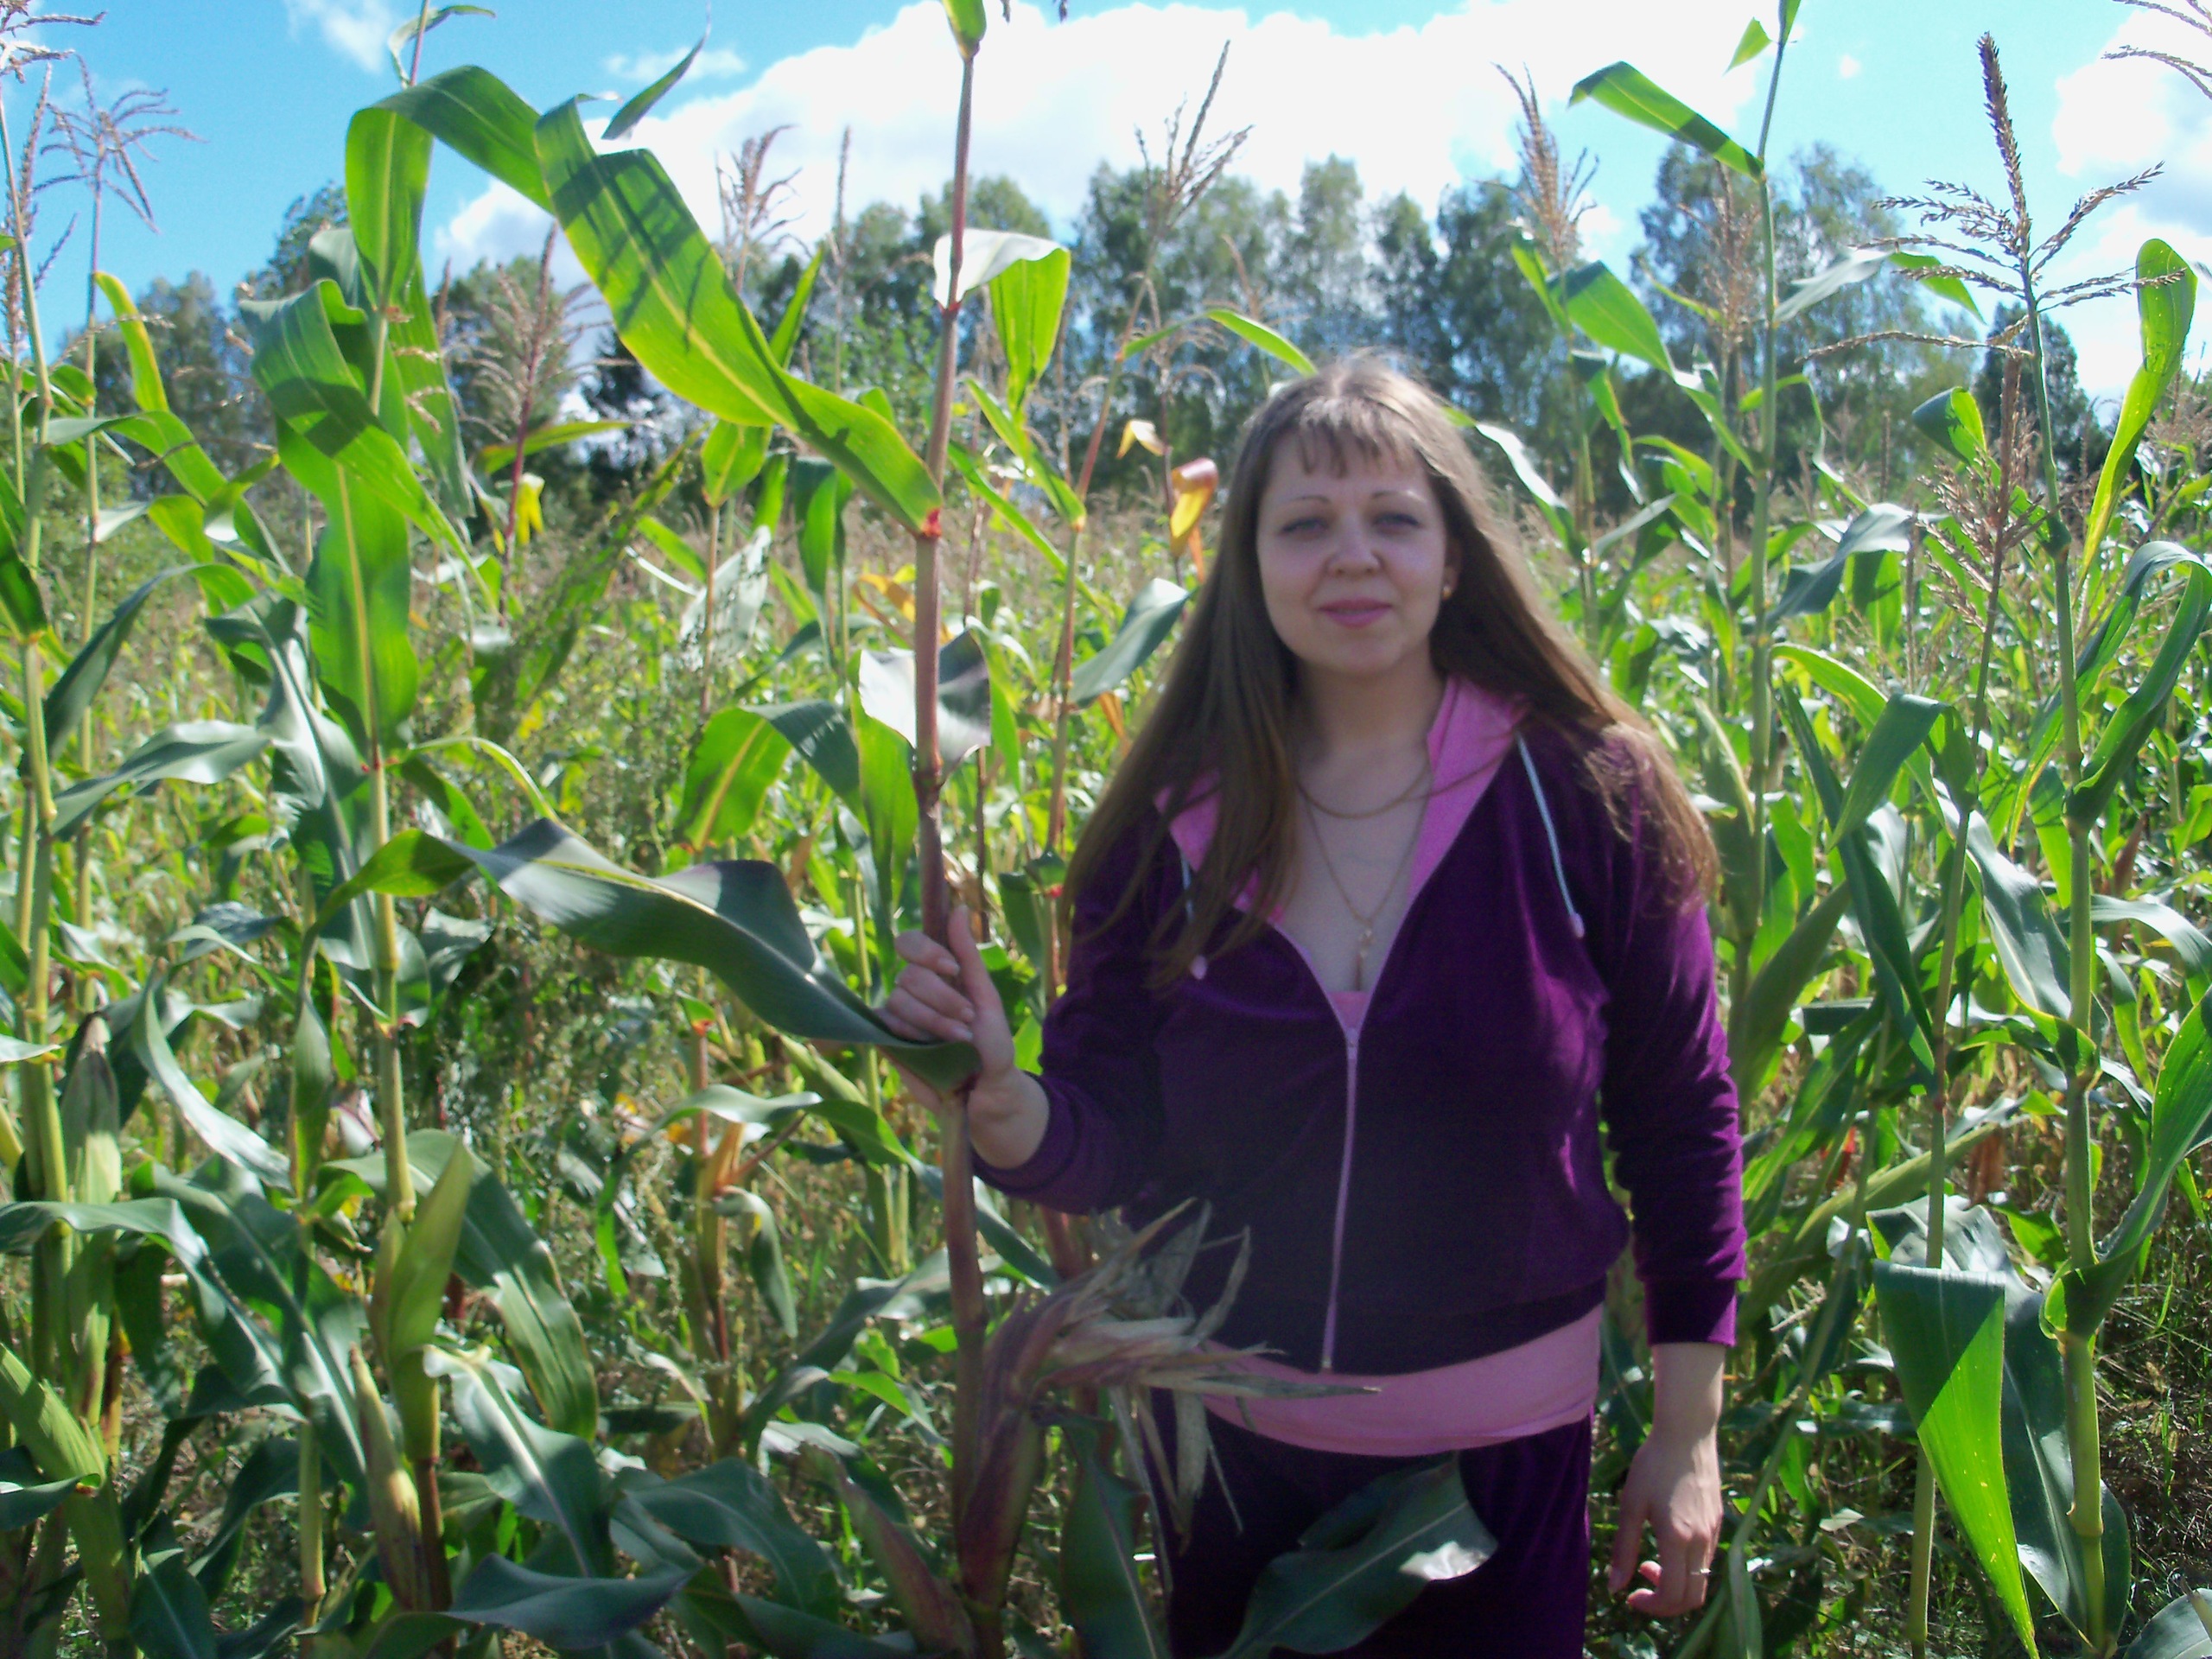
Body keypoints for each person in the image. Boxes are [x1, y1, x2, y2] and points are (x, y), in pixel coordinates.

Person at [883, 357, 1745, 1656]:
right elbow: (1112, 1133)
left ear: (1453, 559)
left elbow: (1682, 1117)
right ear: (1249, 566)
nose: (1353, 555)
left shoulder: (1591, 797)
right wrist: (1000, 1102)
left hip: (1502, 1474)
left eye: (1394, 518)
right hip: (1231, 1467)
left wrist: (1687, 1434)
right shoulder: (1167, 825)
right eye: (1304, 524)